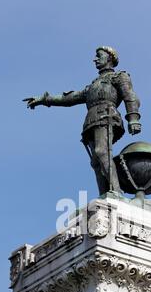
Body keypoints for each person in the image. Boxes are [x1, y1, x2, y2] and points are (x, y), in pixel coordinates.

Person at [24, 46, 141, 195]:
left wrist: (133, 118)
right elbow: (70, 98)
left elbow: (130, 96)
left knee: (101, 152)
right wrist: (44, 99)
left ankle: (116, 191)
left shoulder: (119, 77)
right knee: (95, 162)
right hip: (91, 121)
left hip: (107, 116)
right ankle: (104, 194)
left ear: (110, 58)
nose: (95, 59)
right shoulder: (93, 85)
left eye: (99, 56)